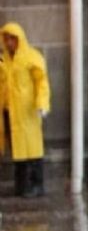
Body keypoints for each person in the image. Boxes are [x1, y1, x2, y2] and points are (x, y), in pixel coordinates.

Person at [0, 22, 51, 198]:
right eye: (6, 40)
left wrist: (42, 103)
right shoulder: (4, 61)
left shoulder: (31, 57)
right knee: (19, 151)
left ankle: (37, 184)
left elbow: (41, 82)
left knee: (33, 149)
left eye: (11, 39)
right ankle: (22, 185)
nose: (8, 43)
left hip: (28, 111)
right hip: (12, 112)